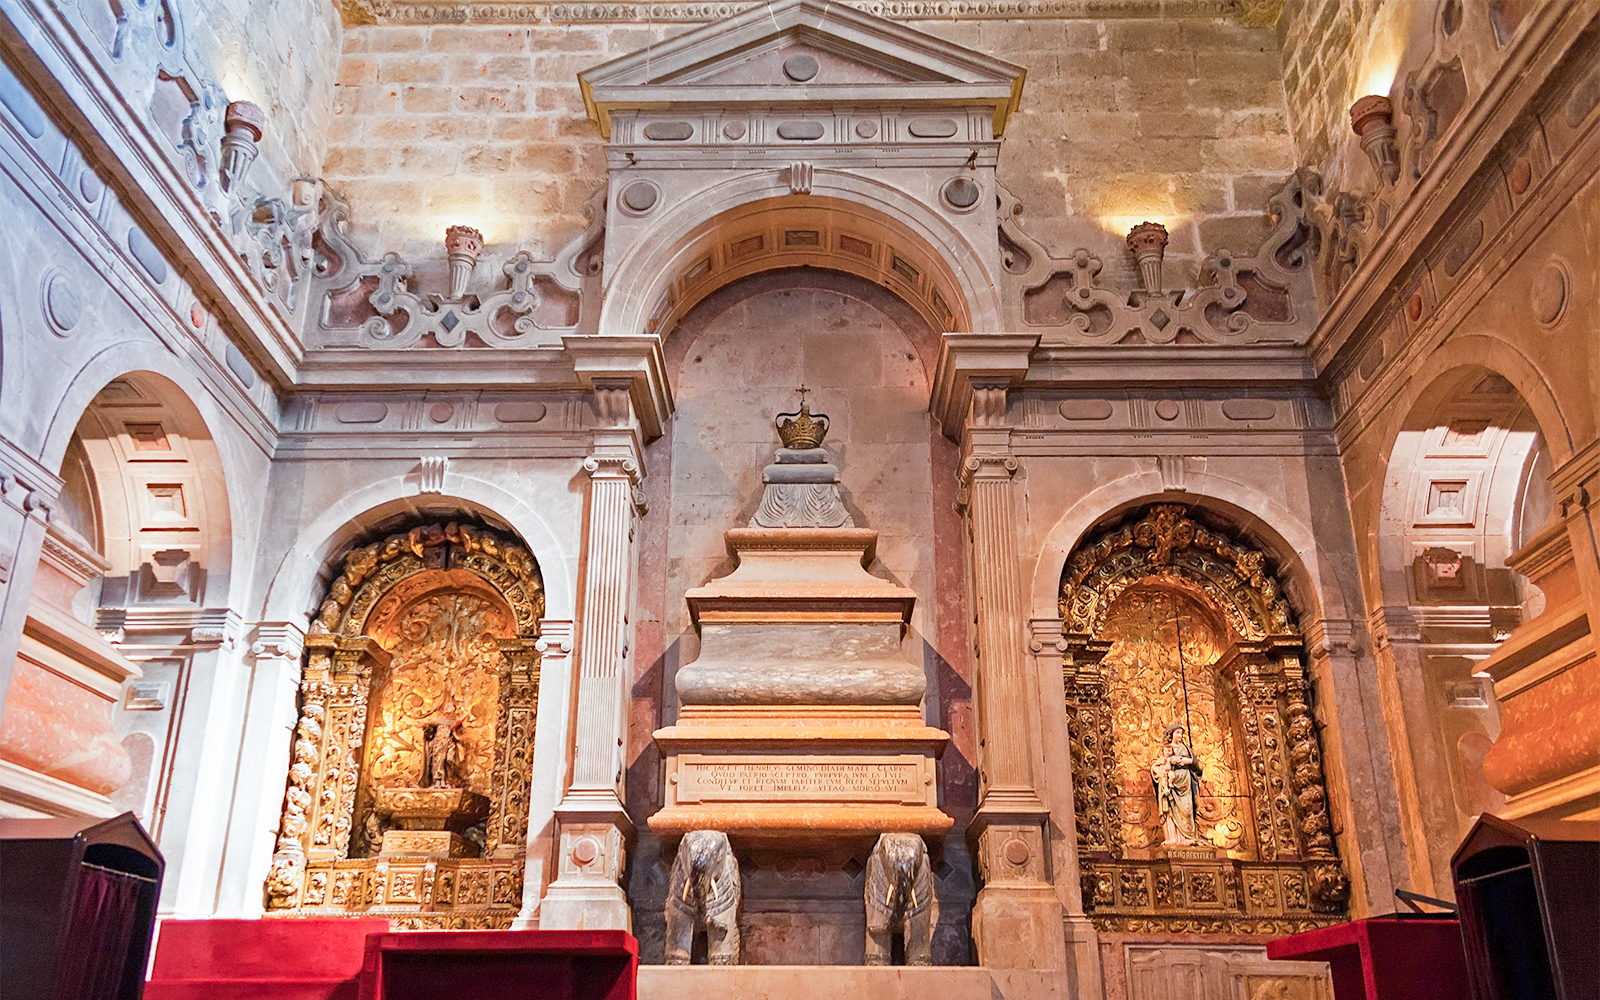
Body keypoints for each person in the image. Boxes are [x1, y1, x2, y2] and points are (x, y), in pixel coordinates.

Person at [1150, 722, 1203, 846]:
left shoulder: (1186, 748)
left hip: (1185, 784)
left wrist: (1187, 761)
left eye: (1181, 733)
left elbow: (1198, 765)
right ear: (1171, 734)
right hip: (1169, 783)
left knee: (1187, 809)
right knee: (1170, 808)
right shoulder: (1163, 749)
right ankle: (1172, 837)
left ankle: (1188, 837)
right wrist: (1160, 770)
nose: (1180, 735)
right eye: (1177, 732)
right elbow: (1154, 764)